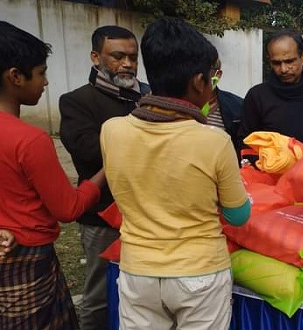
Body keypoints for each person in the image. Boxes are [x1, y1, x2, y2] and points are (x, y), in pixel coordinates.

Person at [99, 17, 250, 330]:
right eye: (211, 79)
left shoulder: (112, 131)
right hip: (200, 275)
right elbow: (238, 216)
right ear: (199, 82)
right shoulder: (214, 140)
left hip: (138, 272)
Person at [0, 20, 105, 329]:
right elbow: (69, 208)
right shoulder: (29, 140)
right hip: (25, 260)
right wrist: (107, 170)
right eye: (41, 73)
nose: (46, 82)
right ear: (15, 76)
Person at [58, 25, 149, 330]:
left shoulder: (148, 95)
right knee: (99, 295)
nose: (127, 64)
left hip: (148, 215)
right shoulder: (76, 101)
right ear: (96, 57)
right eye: (118, 56)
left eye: (133, 57)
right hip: (102, 218)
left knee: (144, 291)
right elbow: (88, 151)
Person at [206, 53, 244, 155]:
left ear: (217, 75)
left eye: (205, 71)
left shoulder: (237, 107)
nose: (199, 77)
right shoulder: (181, 106)